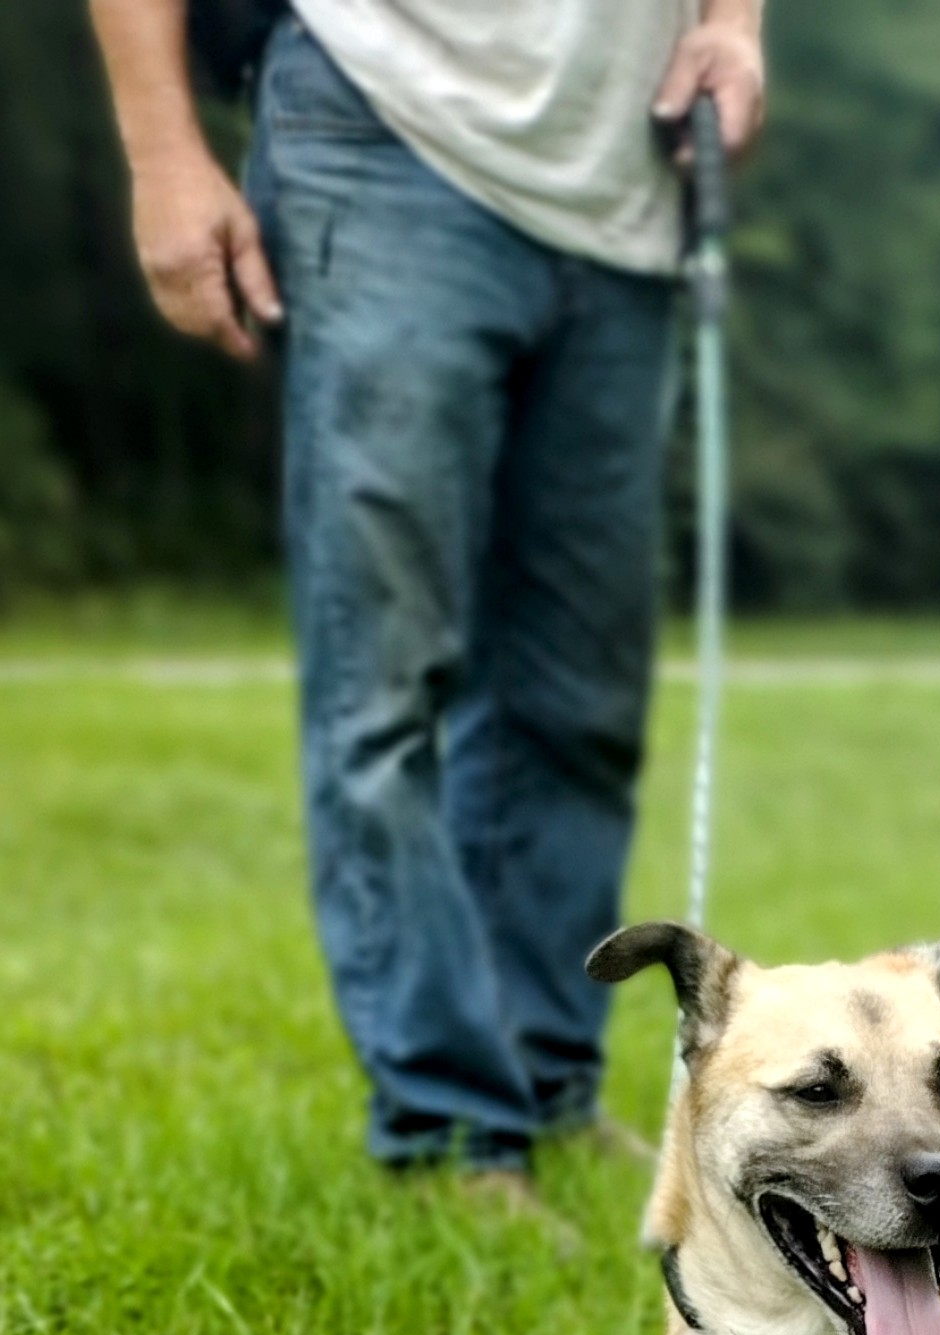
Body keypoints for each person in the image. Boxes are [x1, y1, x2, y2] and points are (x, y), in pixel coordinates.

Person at [86, 0, 767, 1211]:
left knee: (578, 700)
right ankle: (451, 1129)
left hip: (623, 178)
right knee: (385, 684)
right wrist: (164, 154)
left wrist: (736, 23)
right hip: (383, 123)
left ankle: (546, 1089)